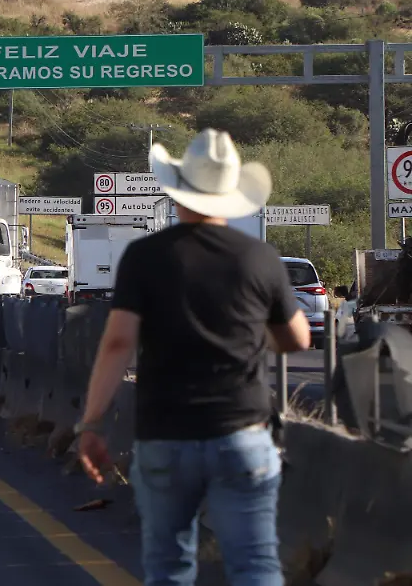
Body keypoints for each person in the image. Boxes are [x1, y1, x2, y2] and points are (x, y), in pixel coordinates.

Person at [76, 130, 311, 586]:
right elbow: (297, 339)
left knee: (168, 567)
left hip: (166, 435)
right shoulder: (259, 258)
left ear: (178, 189)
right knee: (256, 565)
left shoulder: (145, 257)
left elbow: (118, 344)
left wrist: (91, 424)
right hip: (243, 433)